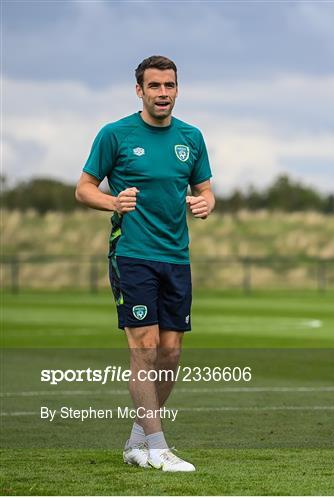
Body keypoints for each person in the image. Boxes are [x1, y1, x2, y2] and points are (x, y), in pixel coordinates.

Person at [75, 55, 214, 472]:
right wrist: (112, 202)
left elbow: (206, 190)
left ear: (177, 89)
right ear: (139, 90)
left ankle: (137, 441)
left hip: (177, 257)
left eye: (169, 86)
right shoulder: (115, 134)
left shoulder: (191, 137)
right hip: (132, 254)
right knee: (145, 348)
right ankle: (157, 446)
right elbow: (83, 189)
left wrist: (205, 202)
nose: (163, 94)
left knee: (170, 354)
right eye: (154, 86)